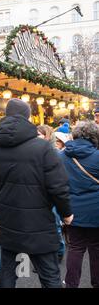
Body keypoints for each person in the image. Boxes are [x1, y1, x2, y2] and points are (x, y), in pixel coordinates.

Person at [0, 98, 73, 288]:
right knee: (49, 276)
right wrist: (66, 213)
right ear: (28, 117)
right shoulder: (44, 147)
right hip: (39, 223)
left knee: (8, 274)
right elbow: (58, 187)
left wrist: (7, 193)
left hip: (8, 220)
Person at [59, 121, 99, 288]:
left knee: (75, 248)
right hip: (96, 210)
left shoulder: (61, 156)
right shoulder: (97, 156)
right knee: (96, 249)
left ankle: (71, 284)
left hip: (72, 210)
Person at [37, 124, 66, 263]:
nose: (36, 137)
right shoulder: (36, 152)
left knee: (55, 226)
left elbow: (59, 179)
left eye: (39, 134)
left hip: (52, 195)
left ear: (47, 136)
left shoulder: (56, 153)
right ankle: (46, 256)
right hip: (39, 195)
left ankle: (58, 252)